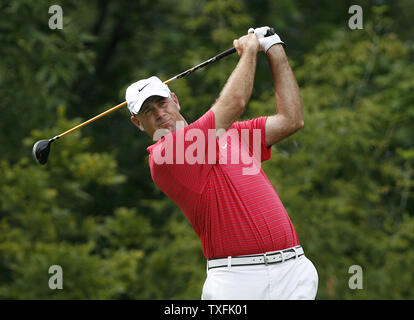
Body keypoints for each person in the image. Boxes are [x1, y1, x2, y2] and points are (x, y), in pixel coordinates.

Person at [125, 26, 318, 300]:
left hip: (293, 270)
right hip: (237, 281)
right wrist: (250, 51)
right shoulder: (165, 156)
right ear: (137, 122)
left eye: (162, 103)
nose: (159, 113)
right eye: (147, 110)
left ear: (175, 100)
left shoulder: (233, 135)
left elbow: (291, 120)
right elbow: (235, 102)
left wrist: (275, 48)